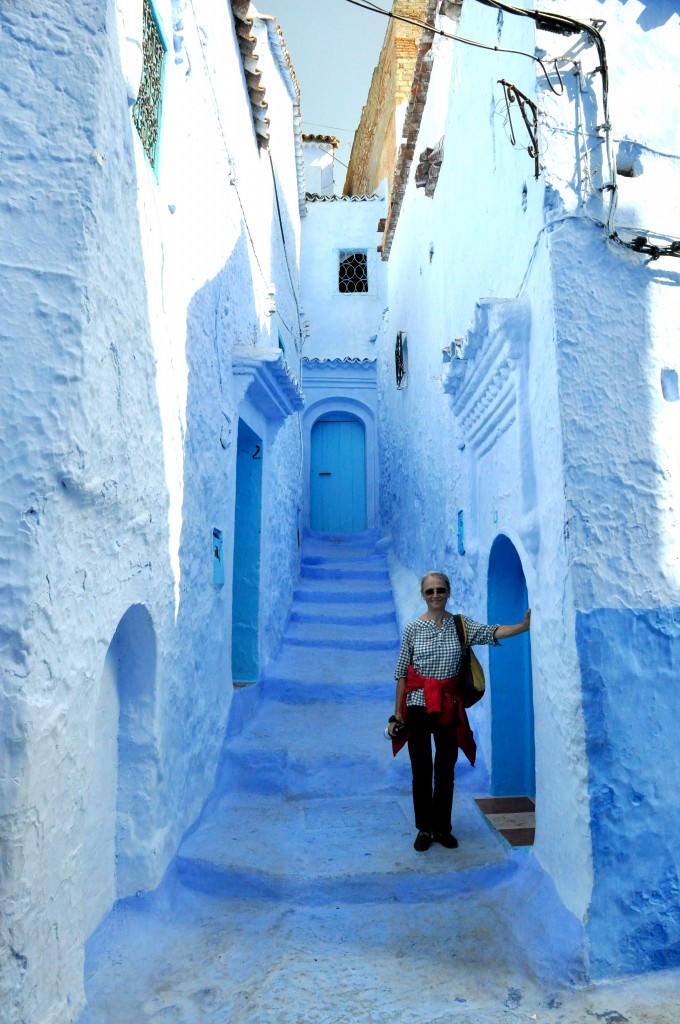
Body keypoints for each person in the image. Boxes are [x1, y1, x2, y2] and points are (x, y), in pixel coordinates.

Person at [388, 571, 531, 852]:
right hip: (417, 705)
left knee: (445, 768)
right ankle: (424, 829)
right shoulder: (413, 629)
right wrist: (397, 714)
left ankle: (442, 827)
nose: (435, 595)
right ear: (423, 596)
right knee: (421, 768)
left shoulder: (460, 626)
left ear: (448, 592)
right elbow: (402, 674)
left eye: (440, 590)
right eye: (429, 591)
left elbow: (491, 632)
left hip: (448, 705)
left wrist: (522, 627)